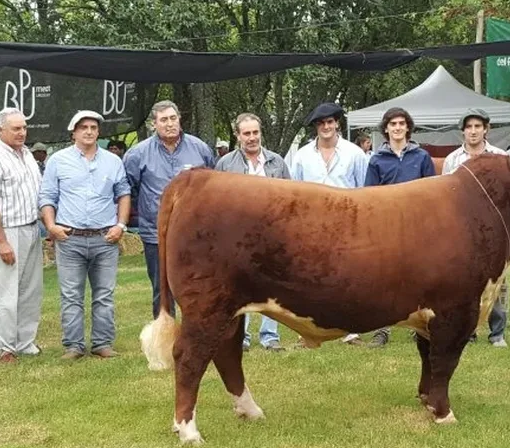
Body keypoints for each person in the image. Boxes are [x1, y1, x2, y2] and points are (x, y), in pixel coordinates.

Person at [40, 110, 131, 360]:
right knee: (71, 295)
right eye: (83, 127)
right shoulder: (57, 160)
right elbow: (47, 197)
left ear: (98, 132)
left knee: (104, 294)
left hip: (105, 238)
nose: (89, 131)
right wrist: (51, 226)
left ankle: (102, 343)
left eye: (93, 127)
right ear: (74, 133)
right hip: (70, 238)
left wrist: (120, 226)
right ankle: (73, 346)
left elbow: (123, 194)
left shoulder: (113, 161)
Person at [123, 101, 213, 317]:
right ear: (154, 124)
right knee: (162, 288)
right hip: (156, 234)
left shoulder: (200, 149)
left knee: (197, 285)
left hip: (195, 234)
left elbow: (212, 185)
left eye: (173, 118)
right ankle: (165, 333)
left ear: (179, 119)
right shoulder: (138, 154)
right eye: (164, 120)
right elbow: (129, 189)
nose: (170, 124)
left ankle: (196, 333)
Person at [292, 102, 368, 344]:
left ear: (337, 124)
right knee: (309, 277)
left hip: (347, 222)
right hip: (312, 224)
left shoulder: (354, 153)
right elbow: (294, 191)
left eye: (330, 122)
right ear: (316, 127)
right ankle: (308, 329)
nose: (326, 127)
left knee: (349, 277)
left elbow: (365, 189)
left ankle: (352, 329)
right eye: (321, 123)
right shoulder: (302, 155)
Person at [215, 113, 291, 352]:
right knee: (239, 286)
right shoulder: (225, 164)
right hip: (238, 236)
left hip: (272, 233)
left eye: (255, 132)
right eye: (246, 133)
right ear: (238, 136)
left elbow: (290, 197)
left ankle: (270, 337)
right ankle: (242, 337)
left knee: (272, 284)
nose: (251, 138)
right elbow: (217, 202)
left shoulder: (277, 162)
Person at [0, 107, 44, 363]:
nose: (22, 133)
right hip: (7, 231)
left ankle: (25, 341)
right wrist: (1, 241)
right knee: (6, 291)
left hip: (31, 227)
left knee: (30, 289)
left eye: (24, 127)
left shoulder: (27, 155)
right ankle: (4, 348)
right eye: (15, 128)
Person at [363, 107, 435, 347]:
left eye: (401, 123)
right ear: (386, 128)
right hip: (386, 229)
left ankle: (421, 326)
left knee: (419, 278)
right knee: (383, 280)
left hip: (416, 228)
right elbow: (368, 198)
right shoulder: (376, 160)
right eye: (392, 124)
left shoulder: (422, 157)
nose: (397, 128)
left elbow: (431, 194)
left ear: (407, 127)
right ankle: (381, 330)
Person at [441, 108, 510, 347]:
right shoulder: (452, 160)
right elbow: (445, 195)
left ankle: (498, 333)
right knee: (464, 281)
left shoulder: (500, 157)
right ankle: (467, 331)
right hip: (462, 228)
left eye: (477, 126)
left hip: (494, 228)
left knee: (497, 280)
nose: (473, 131)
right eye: (469, 127)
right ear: (462, 131)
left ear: (486, 129)